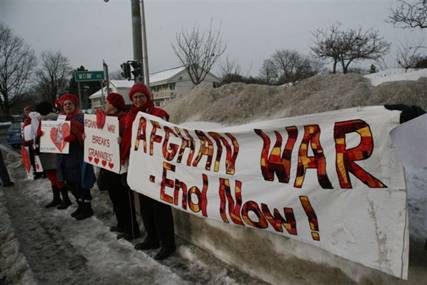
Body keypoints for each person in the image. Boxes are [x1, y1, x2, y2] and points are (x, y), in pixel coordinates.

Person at [120, 83, 176, 260]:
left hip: (156, 167)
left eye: (141, 97)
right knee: (145, 206)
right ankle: (152, 238)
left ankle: (168, 244)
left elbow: (168, 137)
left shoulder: (159, 114)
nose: (138, 100)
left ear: (148, 97)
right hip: (139, 167)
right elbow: (126, 139)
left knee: (160, 207)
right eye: (135, 97)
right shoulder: (129, 117)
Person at [96, 92, 140, 240]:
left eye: (107, 103)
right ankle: (122, 224)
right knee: (114, 197)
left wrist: (122, 140)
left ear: (114, 106)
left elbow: (129, 139)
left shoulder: (123, 120)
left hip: (121, 166)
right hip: (109, 164)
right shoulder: (105, 119)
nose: (105, 105)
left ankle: (132, 229)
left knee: (123, 199)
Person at [58, 93, 95, 220]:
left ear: (75, 105)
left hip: (79, 156)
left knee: (81, 183)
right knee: (72, 184)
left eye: (70, 104)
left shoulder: (81, 118)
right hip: (66, 158)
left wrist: (76, 137)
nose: (67, 106)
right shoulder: (61, 119)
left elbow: (88, 136)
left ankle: (87, 208)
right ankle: (80, 206)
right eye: (65, 104)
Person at [35, 101, 70, 209]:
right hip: (46, 151)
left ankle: (65, 199)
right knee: (52, 176)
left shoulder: (54, 118)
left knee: (57, 176)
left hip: (53, 152)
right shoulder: (41, 119)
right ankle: (57, 198)